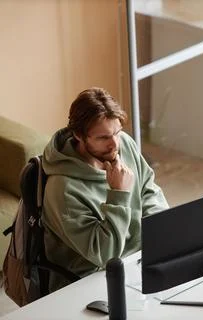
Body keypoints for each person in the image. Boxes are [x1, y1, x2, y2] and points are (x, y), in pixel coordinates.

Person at [41, 87, 169, 292]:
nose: (114, 144)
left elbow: (149, 190)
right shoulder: (63, 190)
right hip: (92, 279)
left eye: (117, 132)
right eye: (103, 138)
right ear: (78, 136)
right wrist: (119, 194)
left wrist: (159, 230)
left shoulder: (123, 144)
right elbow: (105, 255)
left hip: (139, 260)